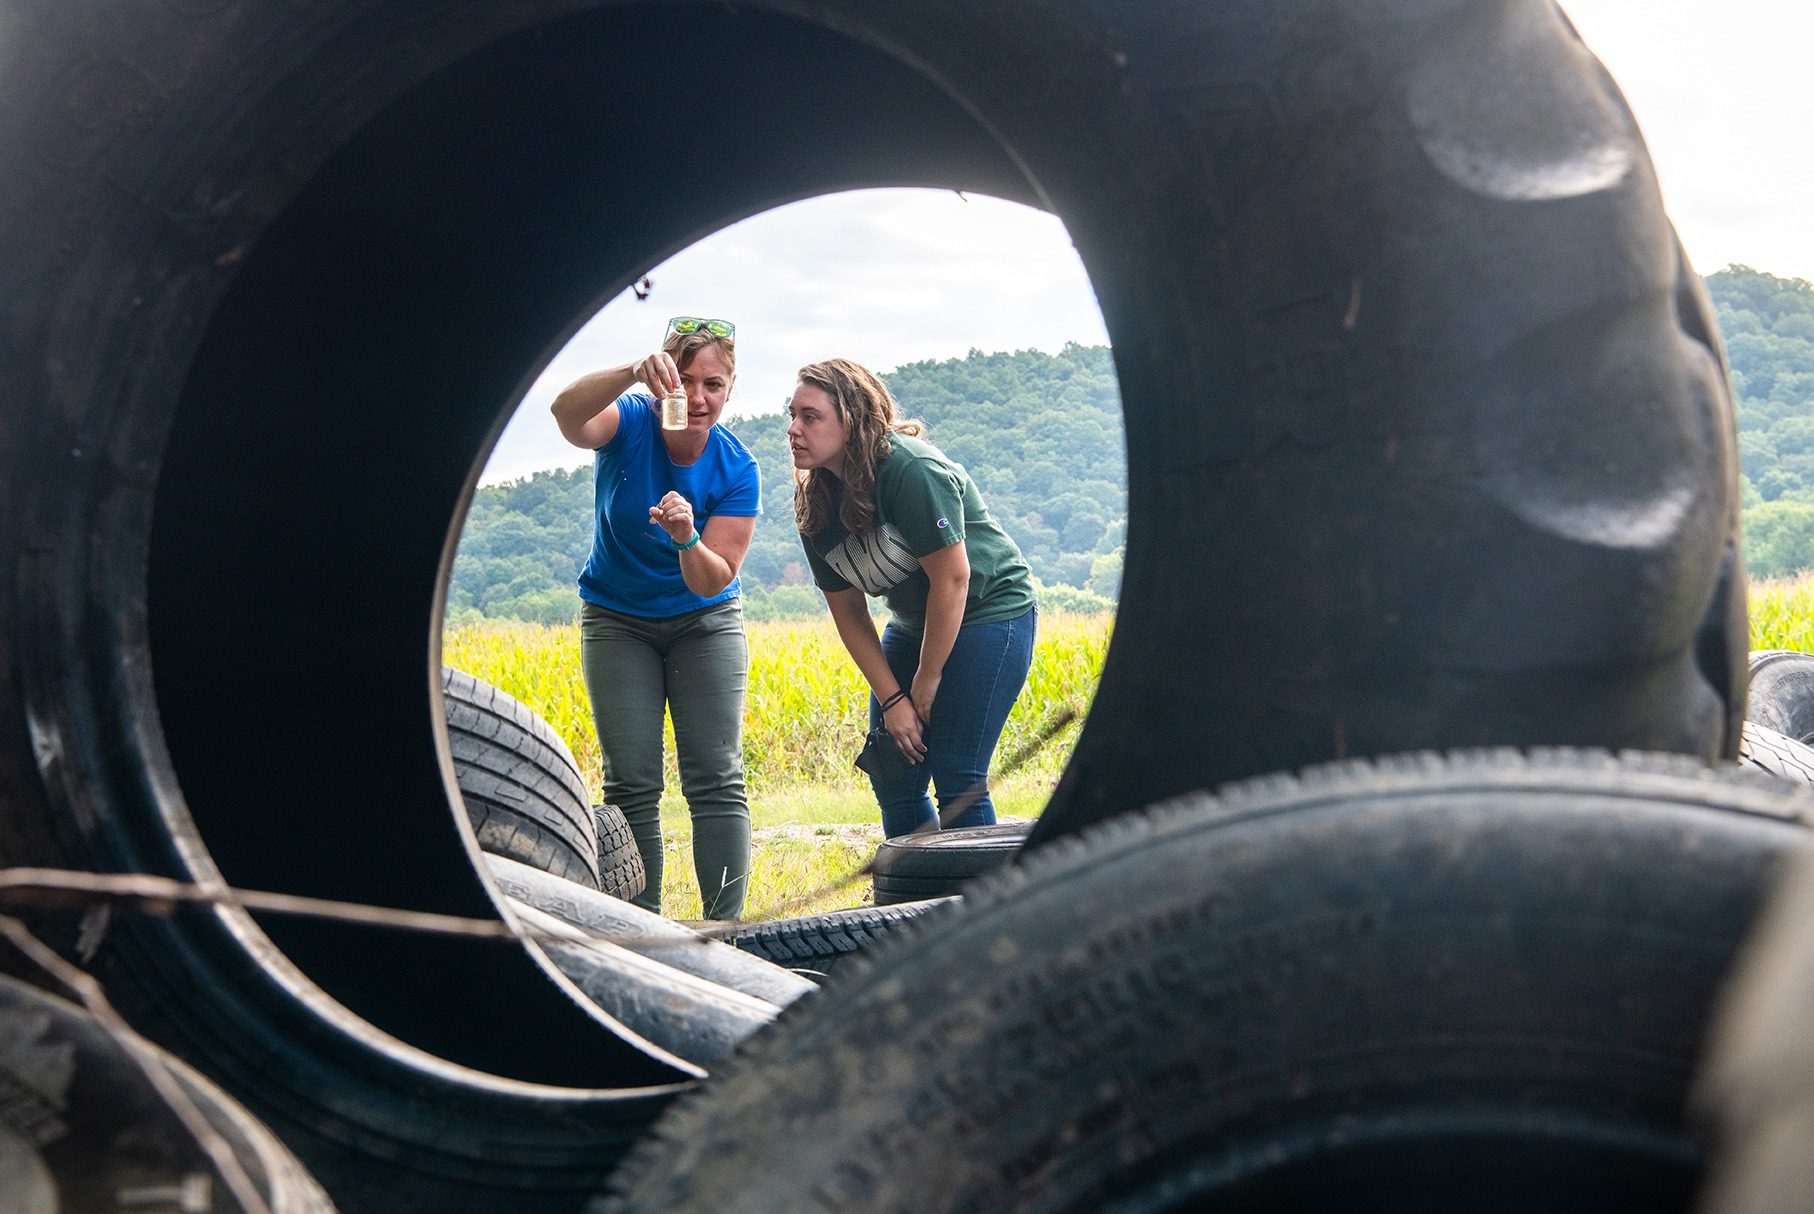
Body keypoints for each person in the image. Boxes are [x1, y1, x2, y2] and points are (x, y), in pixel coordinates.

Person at [551, 316, 758, 919]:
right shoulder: (632, 421)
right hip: (617, 619)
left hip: (705, 621)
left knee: (716, 777)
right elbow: (567, 416)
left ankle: (726, 931)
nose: (697, 398)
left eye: (713, 385)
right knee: (632, 783)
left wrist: (686, 537)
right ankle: (642, 930)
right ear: (663, 381)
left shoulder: (737, 468)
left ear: (729, 389)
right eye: (684, 381)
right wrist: (630, 372)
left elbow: (712, 577)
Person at [787, 358, 1038, 838]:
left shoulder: (910, 469)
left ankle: (971, 903)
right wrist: (893, 699)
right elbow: (849, 614)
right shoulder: (815, 505)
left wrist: (926, 680)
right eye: (792, 415)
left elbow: (953, 580)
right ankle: (909, 905)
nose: (794, 429)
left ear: (852, 419)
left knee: (959, 774)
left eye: (810, 416)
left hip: (990, 612)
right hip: (913, 624)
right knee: (894, 772)